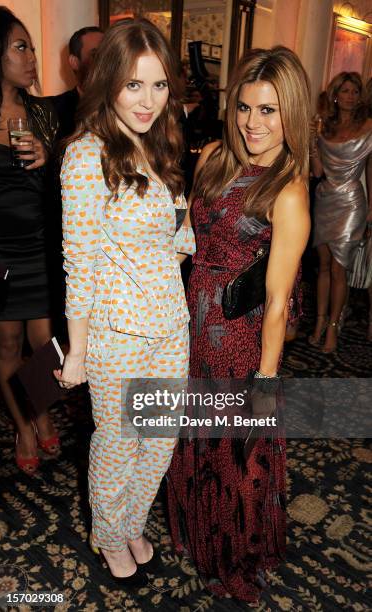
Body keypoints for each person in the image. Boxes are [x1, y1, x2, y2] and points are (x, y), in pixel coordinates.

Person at [167, 46, 310, 602]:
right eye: (246, 108)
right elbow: (184, 240)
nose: (253, 122)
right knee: (195, 439)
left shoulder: (289, 190)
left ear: (290, 113)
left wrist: (267, 382)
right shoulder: (213, 159)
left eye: (269, 111)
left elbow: (276, 302)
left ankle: (237, 561)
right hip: (191, 322)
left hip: (240, 340)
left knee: (237, 456)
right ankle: (200, 536)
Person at [55, 18, 195, 584]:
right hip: (116, 334)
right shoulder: (87, 156)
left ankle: (131, 520)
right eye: (134, 85)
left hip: (170, 324)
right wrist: (80, 351)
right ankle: (110, 534)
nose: (147, 100)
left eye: (159, 85)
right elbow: (79, 262)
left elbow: (178, 240)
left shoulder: (160, 146)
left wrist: (154, 269)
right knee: (118, 442)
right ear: (108, 79)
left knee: (159, 442)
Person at [0, 7, 59, 475]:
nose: (31, 57)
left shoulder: (42, 114)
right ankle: (23, 425)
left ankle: (41, 412)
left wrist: (47, 156)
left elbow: (66, 188)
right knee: (7, 344)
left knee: (44, 345)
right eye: (21, 47)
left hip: (38, 248)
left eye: (32, 47)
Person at [310, 72, 372, 352]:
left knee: (339, 268)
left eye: (354, 91)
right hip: (325, 198)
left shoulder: (369, 126)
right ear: (335, 94)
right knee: (323, 266)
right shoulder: (325, 127)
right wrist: (312, 145)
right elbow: (318, 172)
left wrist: (371, 209)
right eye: (345, 90)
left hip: (352, 202)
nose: (350, 96)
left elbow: (371, 171)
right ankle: (320, 322)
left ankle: (334, 327)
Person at [49, 26, 103, 140]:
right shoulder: (53, 110)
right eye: (96, 55)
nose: (104, 62)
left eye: (108, 55)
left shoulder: (126, 105)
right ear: (74, 62)